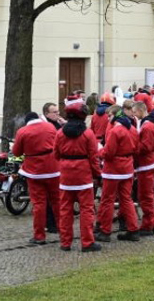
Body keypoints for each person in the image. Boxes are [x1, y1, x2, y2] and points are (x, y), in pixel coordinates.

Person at [54, 101, 102, 252]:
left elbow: (55, 154)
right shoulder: (88, 133)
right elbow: (94, 158)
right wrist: (97, 175)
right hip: (83, 174)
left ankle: (65, 242)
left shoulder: (60, 133)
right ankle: (87, 242)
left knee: (65, 209)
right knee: (87, 209)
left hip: (66, 175)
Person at [13, 111, 61, 245]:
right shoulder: (50, 127)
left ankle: (39, 235)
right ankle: (64, 231)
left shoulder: (22, 131)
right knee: (57, 201)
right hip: (53, 168)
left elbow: (17, 152)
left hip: (34, 171)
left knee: (39, 203)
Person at [96, 112, 139, 242]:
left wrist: (99, 150)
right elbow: (136, 148)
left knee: (107, 200)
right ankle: (133, 229)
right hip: (127, 166)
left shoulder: (115, 131)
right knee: (126, 199)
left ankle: (105, 230)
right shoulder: (132, 129)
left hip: (113, 169)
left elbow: (108, 153)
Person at [132, 101, 154, 236]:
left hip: (147, 164)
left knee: (145, 196)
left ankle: (149, 224)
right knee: (146, 195)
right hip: (148, 163)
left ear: (141, 110)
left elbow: (145, 147)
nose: (134, 115)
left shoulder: (147, 126)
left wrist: (132, 147)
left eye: (135, 112)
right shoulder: (148, 124)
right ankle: (152, 222)